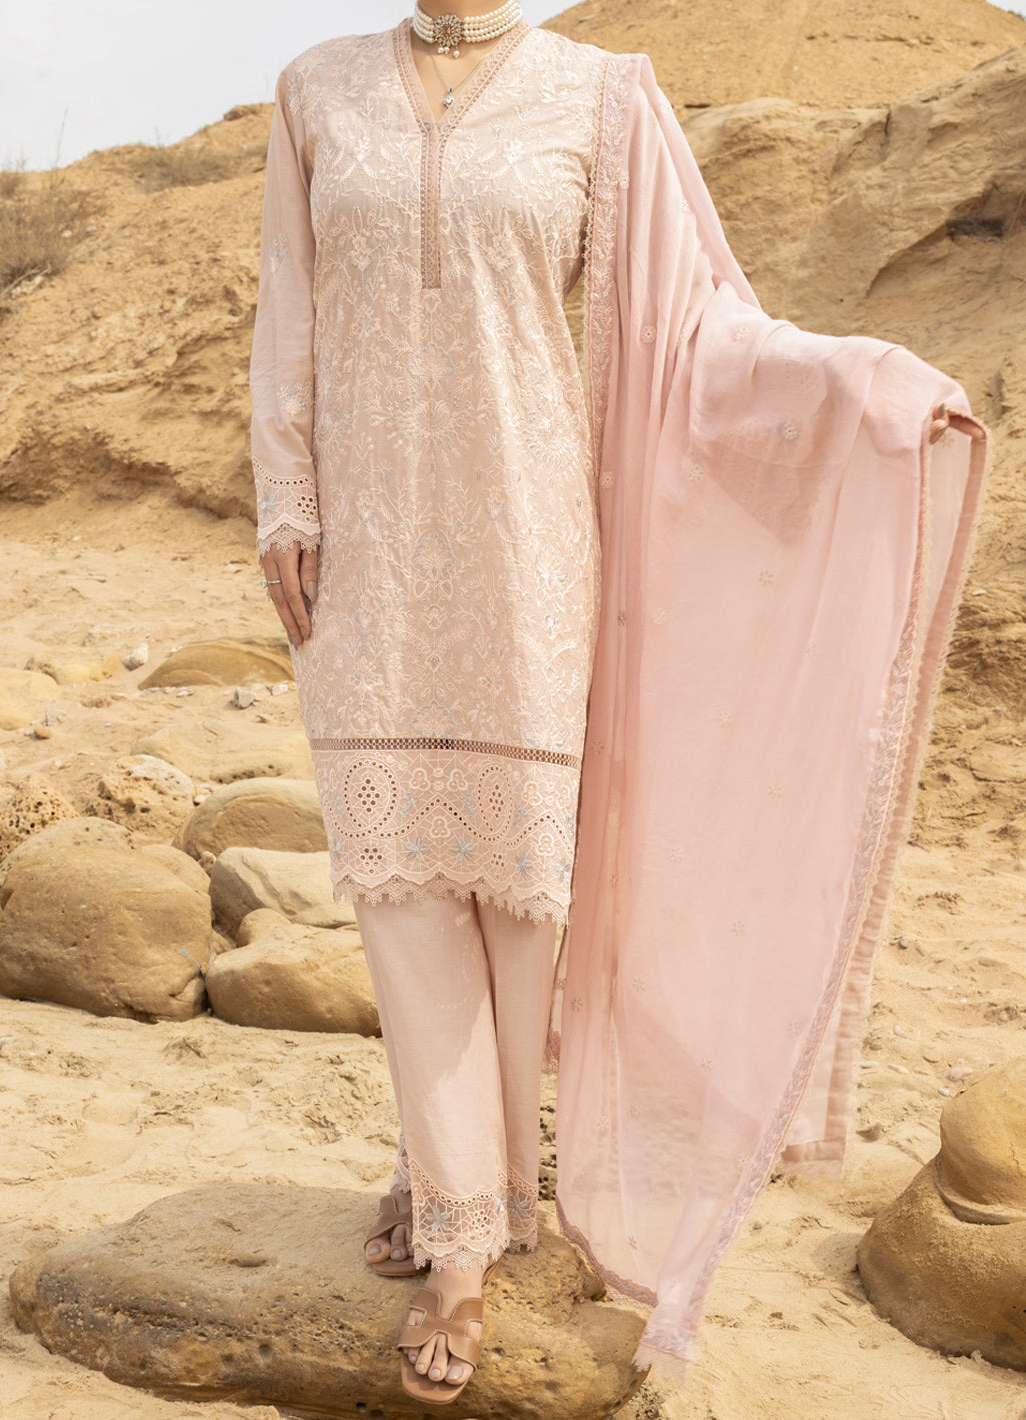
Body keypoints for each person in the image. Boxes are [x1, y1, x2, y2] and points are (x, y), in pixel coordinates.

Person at [250, 0, 988, 1402]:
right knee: (401, 884)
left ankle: (467, 1186)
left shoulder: (602, 95)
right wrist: (286, 496)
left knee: (519, 887)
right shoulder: (315, 90)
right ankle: (460, 1223)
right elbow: (288, 306)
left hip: (532, 544)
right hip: (370, 545)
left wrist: (862, 384)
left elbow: (699, 327)